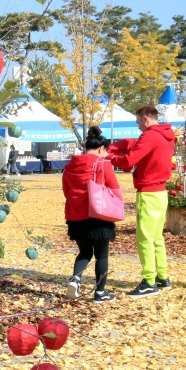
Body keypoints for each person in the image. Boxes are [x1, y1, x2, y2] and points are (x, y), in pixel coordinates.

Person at [108, 105, 175, 298]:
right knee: (156, 238)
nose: (138, 127)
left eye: (138, 122)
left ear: (145, 119)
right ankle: (162, 277)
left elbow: (129, 160)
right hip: (161, 192)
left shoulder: (149, 136)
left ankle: (149, 282)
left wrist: (110, 157)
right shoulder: (165, 135)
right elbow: (133, 143)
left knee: (144, 239)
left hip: (148, 192)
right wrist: (116, 147)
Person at [63, 126, 121, 303]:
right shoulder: (103, 164)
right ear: (101, 148)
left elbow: (66, 191)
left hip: (76, 217)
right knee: (101, 255)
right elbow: (115, 188)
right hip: (98, 215)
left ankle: (75, 279)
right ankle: (100, 293)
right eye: (106, 151)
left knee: (85, 252)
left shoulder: (69, 166)